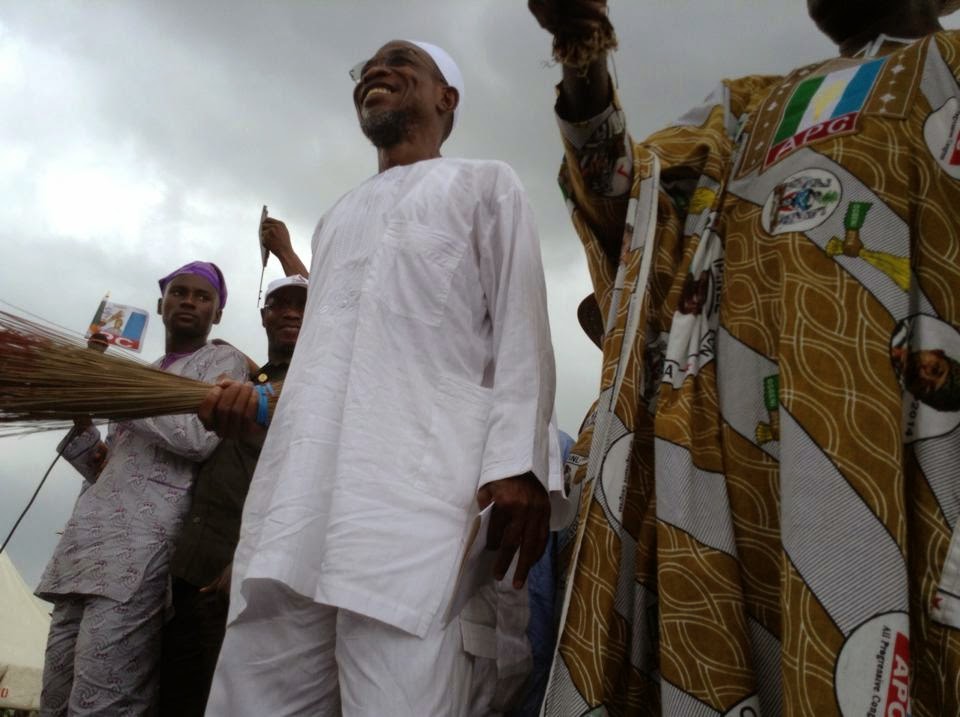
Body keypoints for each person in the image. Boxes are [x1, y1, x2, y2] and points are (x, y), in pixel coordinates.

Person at [529, 0, 960, 714]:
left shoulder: (950, 68)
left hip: (911, 442)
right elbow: (628, 201)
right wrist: (583, 53)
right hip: (736, 466)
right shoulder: (745, 107)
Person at [199, 40, 560, 716]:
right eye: (366, 68)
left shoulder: (487, 184)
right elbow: (331, 359)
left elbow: (523, 328)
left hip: (411, 511)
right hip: (295, 506)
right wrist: (259, 405)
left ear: (446, 97)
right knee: (253, 697)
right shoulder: (336, 218)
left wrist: (520, 464)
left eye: (400, 62)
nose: (375, 71)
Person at [36, 262, 249, 717]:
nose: (189, 301)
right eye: (179, 292)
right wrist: (81, 401)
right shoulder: (144, 372)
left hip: (139, 549)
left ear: (217, 313)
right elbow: (105, 466)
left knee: (104, 702)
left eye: (202, 296)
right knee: (54, 698)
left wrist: (115, 391)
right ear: (161, 304)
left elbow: (198, 439)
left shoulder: (220, 362)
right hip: (85, 543)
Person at [158, 273, 308, 717]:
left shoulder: (316, 387)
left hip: (241, 579)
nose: (291, 313)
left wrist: (246, 556)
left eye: (302, 305)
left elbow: (302, 482)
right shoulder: (244, 378)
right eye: (280, 304)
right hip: (188, 572)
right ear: (264, 316)